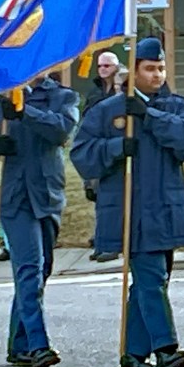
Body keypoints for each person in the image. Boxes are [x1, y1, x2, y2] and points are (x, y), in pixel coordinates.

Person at [70, 37, 184, 367]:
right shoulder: (105, 110)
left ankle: (133, 355)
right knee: (151, 277)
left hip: (164, 207)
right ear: (134, 71)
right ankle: (165, 348)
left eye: (160, 68)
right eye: (149, 69)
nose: (157, 75)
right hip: (128, 209)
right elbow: (82, 156)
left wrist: (150, 116)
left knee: (150, 282)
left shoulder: (176, 106)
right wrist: (116, 148)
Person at [0, 74, 80, 367]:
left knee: (40, 271)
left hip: (46, 194)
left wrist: (24, 112)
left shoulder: (63, 96)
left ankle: (18, 344)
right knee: (29, 266)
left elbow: (60, 130)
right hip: (13, 195)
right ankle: (38, 344)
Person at [82, 51, 122, 262]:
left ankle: (112, 243)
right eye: (100, 66)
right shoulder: (95, 91)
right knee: (97, 196)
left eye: (108, 66)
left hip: (116, 147)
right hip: (96, 147)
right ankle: (100, 238)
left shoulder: (122, 88)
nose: (103, 70)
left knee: (113, 199)